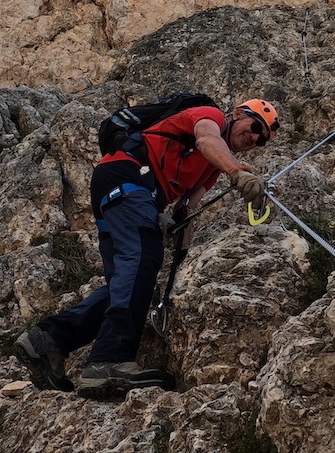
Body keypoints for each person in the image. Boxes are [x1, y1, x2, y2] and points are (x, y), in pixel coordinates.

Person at [14, 98, 280, 398]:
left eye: (261, 141)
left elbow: (188, 207)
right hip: (129, 176)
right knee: (140, 261)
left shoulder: (212, 168)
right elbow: (206, 138)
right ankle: (108, 360)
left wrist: (180, 249)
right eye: (255, 127)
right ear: (237, 114)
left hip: (125, 188)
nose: (255, 138)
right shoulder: (212, 117)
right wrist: (239, 172)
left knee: (129, 280)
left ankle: (48, 340)